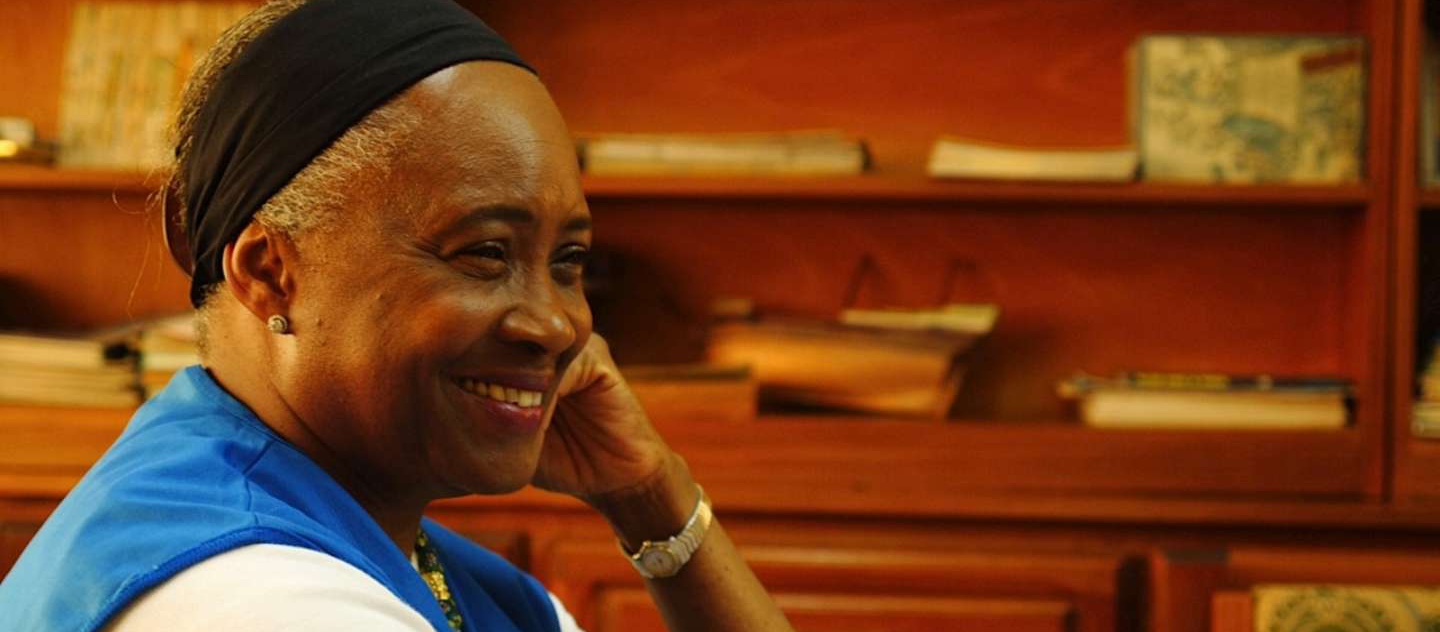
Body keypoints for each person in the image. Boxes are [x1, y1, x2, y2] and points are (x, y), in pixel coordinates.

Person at [0, 0, 794, 630]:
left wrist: (654, 499)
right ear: (270, 273)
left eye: (568, 263)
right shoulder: (261, 602)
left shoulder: (422, 561)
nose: (556, 325)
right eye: (485, 253)